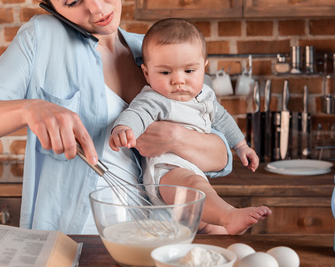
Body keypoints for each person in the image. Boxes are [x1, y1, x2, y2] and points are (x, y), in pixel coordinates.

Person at [0, 0, 233, 234]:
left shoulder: (152, 52)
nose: (97, 7)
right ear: (51, 6)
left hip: (160, 239)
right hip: (72, 245)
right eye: (73, 1)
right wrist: (29, 110)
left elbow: (221, 156)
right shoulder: (40, 39)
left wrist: (176, 138)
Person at [109, 18, 270, 235]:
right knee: (194, 185)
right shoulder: (155, 98)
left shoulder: (206, 96)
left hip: (195, 172)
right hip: (167, 171)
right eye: (165, 73)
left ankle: (226, 236)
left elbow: (223, 119)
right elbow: (137, 114)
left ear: (203, 67)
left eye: (188, 71)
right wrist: (123, 128)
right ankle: (228, 215)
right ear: (147, 73)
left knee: (211, 225)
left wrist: (241, 145)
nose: (178, 80)